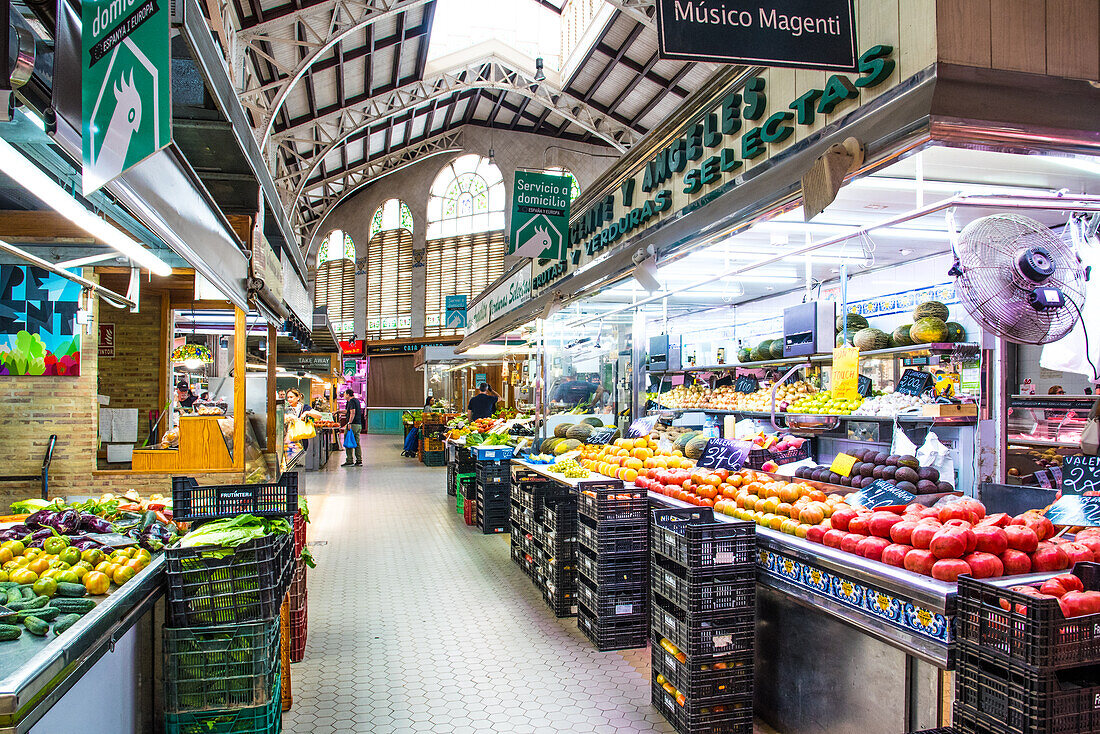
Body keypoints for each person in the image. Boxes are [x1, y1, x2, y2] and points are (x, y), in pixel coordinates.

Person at [341, 388, 364, 467]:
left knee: (348, 441)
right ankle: (359, 460)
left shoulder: (351, 401)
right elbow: (348, 411)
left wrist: (349, 423)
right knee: (357, 443)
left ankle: (349, 460)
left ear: (348, 395)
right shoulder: (356, 401)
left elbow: (352, 412)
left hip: (352, 425)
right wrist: (338, 411)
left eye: (344, 394)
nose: (344, 396)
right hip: (358, 425)